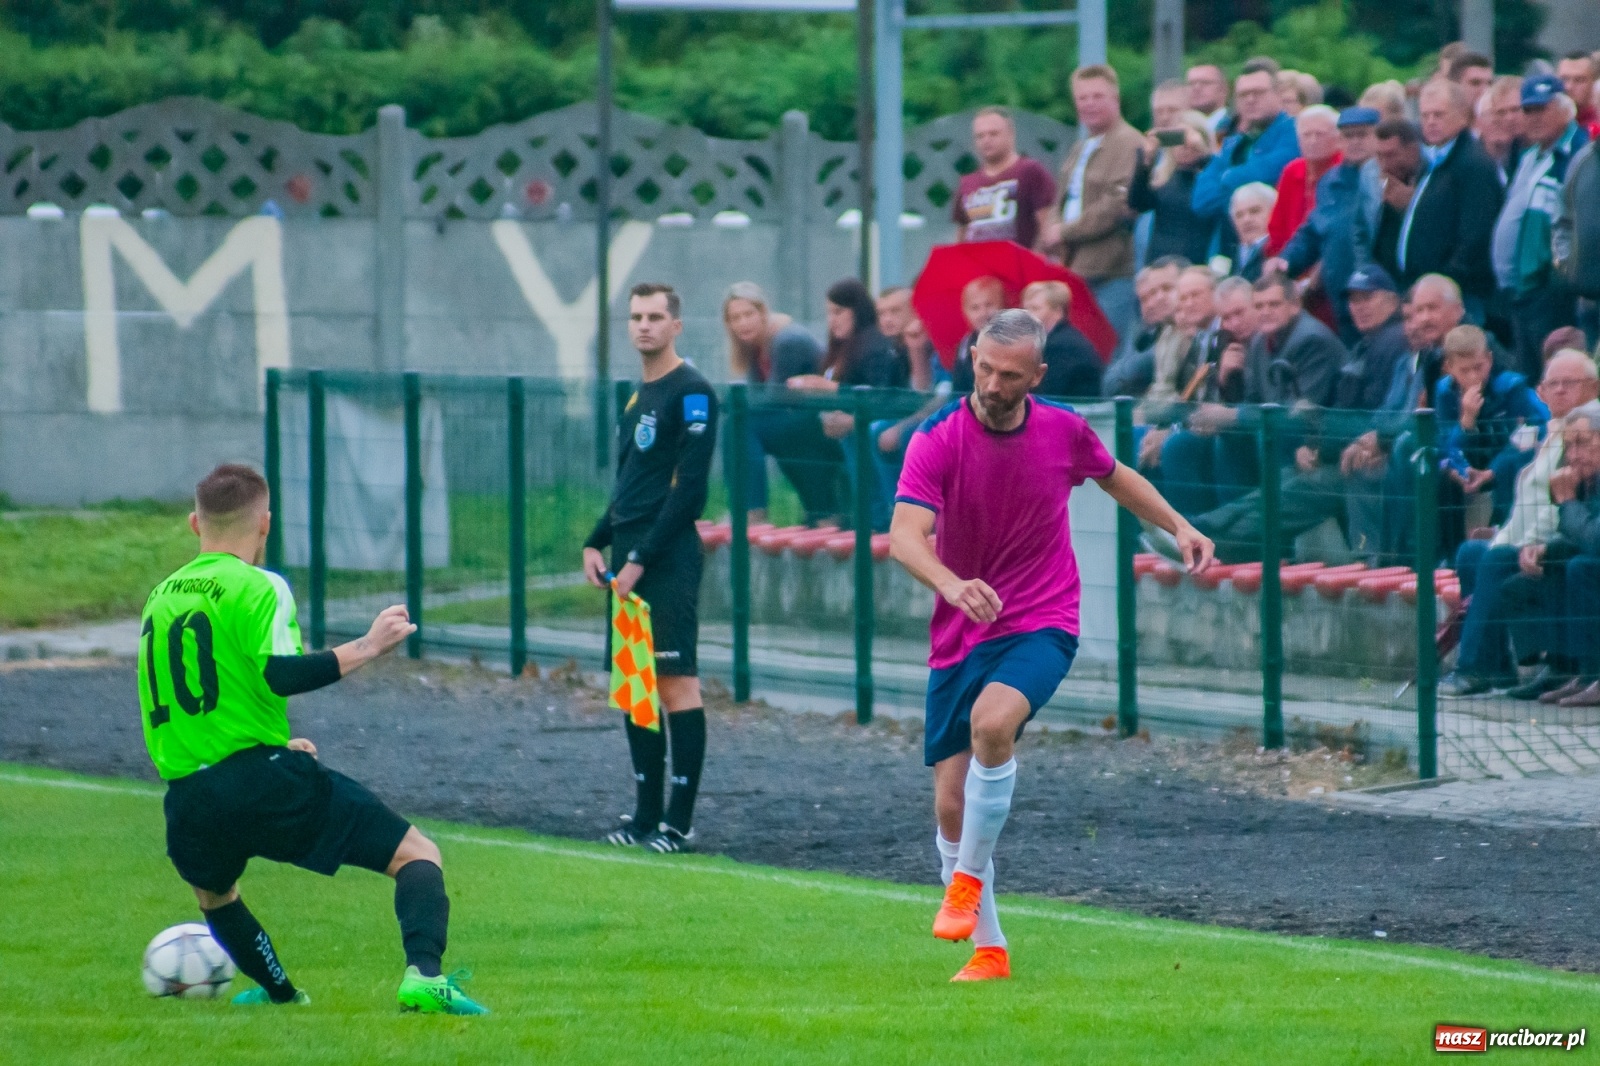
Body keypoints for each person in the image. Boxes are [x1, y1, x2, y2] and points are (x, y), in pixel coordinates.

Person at [888, 308, 1214, 983]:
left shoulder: (1063, 430)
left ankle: (966, 883)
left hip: (1043, 618)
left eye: (1009, 375)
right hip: (960, 629)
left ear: (1036, 375)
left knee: (993, 724)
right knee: (950, 806)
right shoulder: (937, 438)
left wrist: (1178, 525)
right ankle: (990, 951)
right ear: (972, 357)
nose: (992, 384)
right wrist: (952, 584)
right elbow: (903, 537)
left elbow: (1116, 475)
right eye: (984, 368)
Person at [139, 463, 487, 1014]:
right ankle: (425, 977)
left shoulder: (161, 597)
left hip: (187, 795)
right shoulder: (260, 586)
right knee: (416, 853)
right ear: (265, 523)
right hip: (259, 782)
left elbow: (201, 700)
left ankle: (282, 995)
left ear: (194, 523)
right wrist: (369, 645)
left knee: (216, 896)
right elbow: (281, 674)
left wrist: (270, 745)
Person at [1144, 268, 1410, 564]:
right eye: (1260, 306)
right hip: (1328, 449)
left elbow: (1305, 416)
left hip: (1351, 458)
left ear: (1295, 304)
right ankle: (1199, 530)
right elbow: (1259, 403)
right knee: (1270, 483)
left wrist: (1322, 445)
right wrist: (1229, 382)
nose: (1359, 307)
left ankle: (1206, 540)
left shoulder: (1328, 340)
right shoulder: (1268, 341)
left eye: (1273, 304)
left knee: (1287, 485)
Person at [584, 282, 717, 854]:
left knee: (675, 682)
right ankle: (643, 816)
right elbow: (631, 483)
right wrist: (597, 540)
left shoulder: (693, 392)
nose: (644, 325)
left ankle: (678, 823)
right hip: (627, 556)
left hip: (667, 557)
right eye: (636, 316)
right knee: (637, 686)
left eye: (656, 316)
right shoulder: (638, 396)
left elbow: (689, 492)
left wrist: (639, 559)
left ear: (676, 325)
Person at [1437, 358, 1597, 700]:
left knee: (1498, 560)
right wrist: (1501, 536)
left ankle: (1475, 667)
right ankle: (1497, 664)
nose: (1559, 391)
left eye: (1569, 383)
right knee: (1471, 553)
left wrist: (1531, 545)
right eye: (1552, 384)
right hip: (1535, 536)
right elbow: (1521, 484)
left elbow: (1558, 505)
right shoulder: (1553, 429)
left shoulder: (1586, 431)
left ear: (1594, 387)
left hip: (1552, 538)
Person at [1492, 75, 1590, 381]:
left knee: (1552, 375)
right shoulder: (1530, 155)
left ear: (1565, 109)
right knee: (1531, 375)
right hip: (1522, 290)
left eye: (1542, 109)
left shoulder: (1577, 154)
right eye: (1528, 110)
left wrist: (1558, 278)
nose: (1534, 118)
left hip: (1550, 290)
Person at [1504, 402, 1600, 706]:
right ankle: (1564, 669)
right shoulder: (1587, 481)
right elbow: (1580, 536)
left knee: (1581, 568)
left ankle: (1593, 673)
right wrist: (1545, 550)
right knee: (1538, 572)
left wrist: (1567, 501)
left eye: (1582, 443)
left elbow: (1595, 540)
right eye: (1568, 446)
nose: (1573, 455)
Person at [721, 282, 839, 523]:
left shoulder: (787, 340)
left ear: (763, 313)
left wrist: (729, 402)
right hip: (799, 424)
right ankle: (823, 515)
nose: (743, 323)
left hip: (829, 423)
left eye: (748, 314)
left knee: (739, 425)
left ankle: (752, 510)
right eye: (735, 318)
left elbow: (772, 400)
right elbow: (759, 399)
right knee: (739, 423)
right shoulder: (756, 347)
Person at [1044, 65, 1145, 339]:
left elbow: (1116, 204)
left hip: (1111, 271)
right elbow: (1061, 198)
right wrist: (1052, 228)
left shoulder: (1130, 142)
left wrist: (1064, 231)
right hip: (1074, 269)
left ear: (1116, 98)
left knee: (1107, 349)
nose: (1089, 104)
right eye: (1082, 98)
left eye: (1097, 96)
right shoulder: (1081, 147)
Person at [1433, 325, 1548, 560]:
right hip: (1470, 464)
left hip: (1505, 460)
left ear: (1489, 359)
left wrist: (1493, 471)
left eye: (1479, 367)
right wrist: (1465, 425)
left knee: (1514, 465)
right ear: (1449, 367)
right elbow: (1444, 444)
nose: (1473, 377)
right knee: (1437, 472)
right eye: (1464, 370)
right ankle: (1448, 557)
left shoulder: (1511, 387)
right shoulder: (1444, 393)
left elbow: (1540, 428)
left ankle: (1505, 543)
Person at [1271, 106, 1385, 343]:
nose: (1355, 142)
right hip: (1341, 298)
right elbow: (1314, 229)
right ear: (1339, 141)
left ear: (1378, 136)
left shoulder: (1388, 175)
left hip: (1379, 293)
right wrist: (1287, 260)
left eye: (1362, 135)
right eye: (1348, 136)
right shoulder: (1331, 182)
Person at [1395, 80, 1504, 319]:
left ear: (1463, 116)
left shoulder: (1473, 164)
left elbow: (1476, 235)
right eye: (1425, 115)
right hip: (1424, 290)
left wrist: (1447, 278)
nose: (1431, 122)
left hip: (1458, 295)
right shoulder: (1435, 160)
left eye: (1439, 115)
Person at [1192, 60, 1302, 263]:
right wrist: (1239, 187)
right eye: (1243, 95)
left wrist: (1227, 177)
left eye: (1258, 93)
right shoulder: (1233, 143)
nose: (1250, 100)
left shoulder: (1296, 132)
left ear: (1278, 94)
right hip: (1232, 250)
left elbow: (1272, 171)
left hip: (1278, 251)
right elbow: (1202, 201)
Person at [953, 107, 1059, 251]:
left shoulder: (1029, 171)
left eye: (993, 134)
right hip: (980, 264)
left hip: (1020, 261)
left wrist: (1038, 258)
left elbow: (1047, 227)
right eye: (980, 136)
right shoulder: (967, 183)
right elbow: (961, 237)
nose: (986, 140)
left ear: (1011, 135)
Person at [1128, 108, 1217, 266]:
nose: (1184, 147)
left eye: (1188, 142)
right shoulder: (1165, 178)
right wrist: (1145, 162)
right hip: (1161, 262)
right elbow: (1137, 202)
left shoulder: (1211, 178)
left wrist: (1204, 155)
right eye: (1177, 140)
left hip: (1196, 264)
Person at [1101, 257, 1185, 398]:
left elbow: (1121, 379)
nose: (1155, 301)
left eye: (1167, 288)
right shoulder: (1145, 332)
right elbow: (1111, 382)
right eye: (1144, 299)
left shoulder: (1186, 333)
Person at [1266, 106, 1342, 256]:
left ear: (1338, 138)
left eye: (1320, 134)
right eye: (1306, 135)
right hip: (1291, 259)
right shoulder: (1292, 171)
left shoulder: (1344, 170)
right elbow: (1278, 229)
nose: (1312, 141)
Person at [1021, 280, 1104, 398]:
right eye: (1026, 309)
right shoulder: (1060, 338)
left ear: (1058, 312)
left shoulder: (1060, 346)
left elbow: (1046, 393)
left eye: (1035, 308)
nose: (1027, 315)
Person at [1368, 119, 1424, 284]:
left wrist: (1410, 208)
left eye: (1391, 155)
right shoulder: (1371, 179)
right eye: (1379, 156)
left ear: (1413, 151)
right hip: (1384, 280)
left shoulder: (1433, 178)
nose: (1384, 165)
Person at [949, 276, 1007, 395]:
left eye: (989, 305)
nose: (983, 313)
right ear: (965, 312)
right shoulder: (964, 347)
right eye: (975, 308)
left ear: (1003, 306)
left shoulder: (1016, 342)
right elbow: (958, 390)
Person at [1476, 76, 1528, 185]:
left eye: (1515, 109)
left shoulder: (1544, 145)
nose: (1509, 118)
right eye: (1501, 112)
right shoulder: (1504, 152)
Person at [1228, 182, 1276, 281]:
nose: (1246, 220)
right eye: (1239, 215)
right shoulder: (1230, 255)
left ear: (1274, 211)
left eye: (1254, 211)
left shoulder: (1283, 251)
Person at [1557, 52, 1600, 140]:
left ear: (1594, 84)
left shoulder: (1596, 129)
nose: (1568, 87)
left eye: (1579, 80)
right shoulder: (1549, 127)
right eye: (1564, 79)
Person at [1187, 63, 1232, 136]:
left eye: (1205, 83)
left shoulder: (1236, 126)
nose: (1196, 88)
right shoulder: (1179, 129)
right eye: (1191, 84)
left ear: (1223, 89)